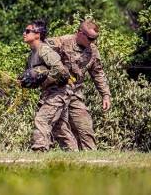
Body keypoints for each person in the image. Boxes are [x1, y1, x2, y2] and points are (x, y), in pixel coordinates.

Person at [48, 20, 111, 151]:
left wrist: (105, 95)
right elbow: (40, 50)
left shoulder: (92, 51)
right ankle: (72, 159)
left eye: (95, 38)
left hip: (74, 94)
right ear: (80, 34)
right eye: (90, 38)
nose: (92, 41)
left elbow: (98, 73)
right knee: (59, 130)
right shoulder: (62, 42)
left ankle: (92, 161)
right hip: (56, 93)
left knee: (85, 128)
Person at [20, 20, 71, 152]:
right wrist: (22, 82)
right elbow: (32, 76)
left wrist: (48, 81)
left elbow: (58, 68)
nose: (24, 34)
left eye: (27, 31)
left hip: (58, 92)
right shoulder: (32, 54)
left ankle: (39, 151)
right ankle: (76, 157)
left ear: (37, 35)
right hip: (48, 94)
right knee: (60, 130)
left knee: (41, 120)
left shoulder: (44, 49)